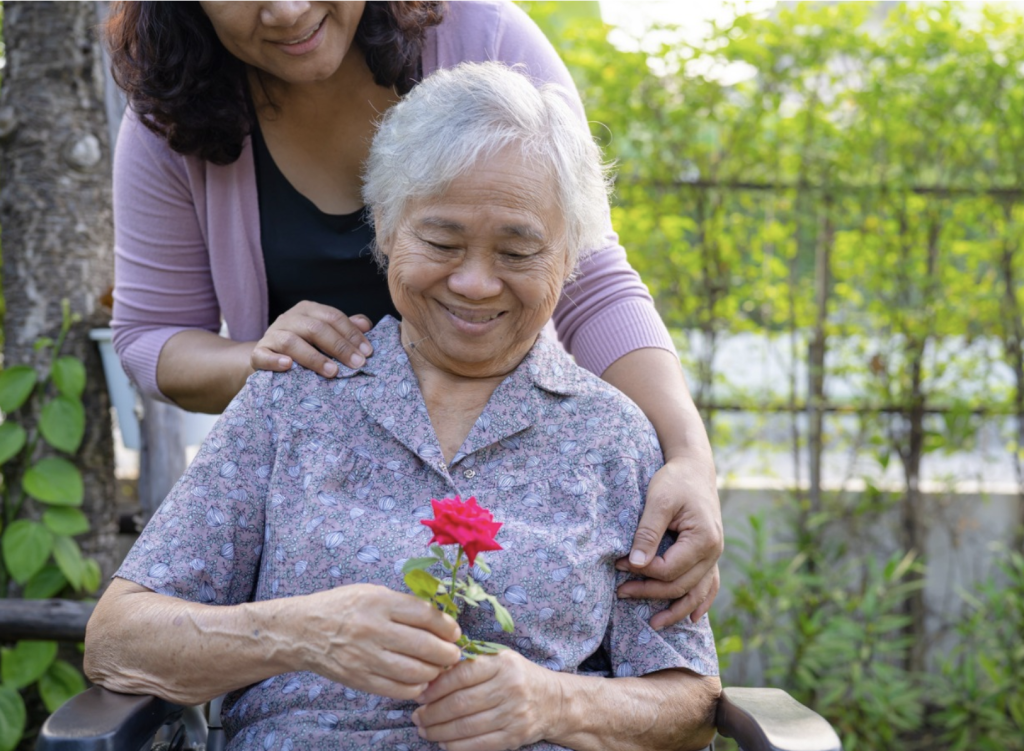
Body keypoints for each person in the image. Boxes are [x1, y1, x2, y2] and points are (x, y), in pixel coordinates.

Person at [85, 62, 721, 751]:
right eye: (442, 243)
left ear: (569, 259)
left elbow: (688, 698)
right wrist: (303, 632)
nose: (475, 283)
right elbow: (118, 638)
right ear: (385, 228)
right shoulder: (294, 397)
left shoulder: (615, 438)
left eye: (517, 250)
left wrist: (555, 701)